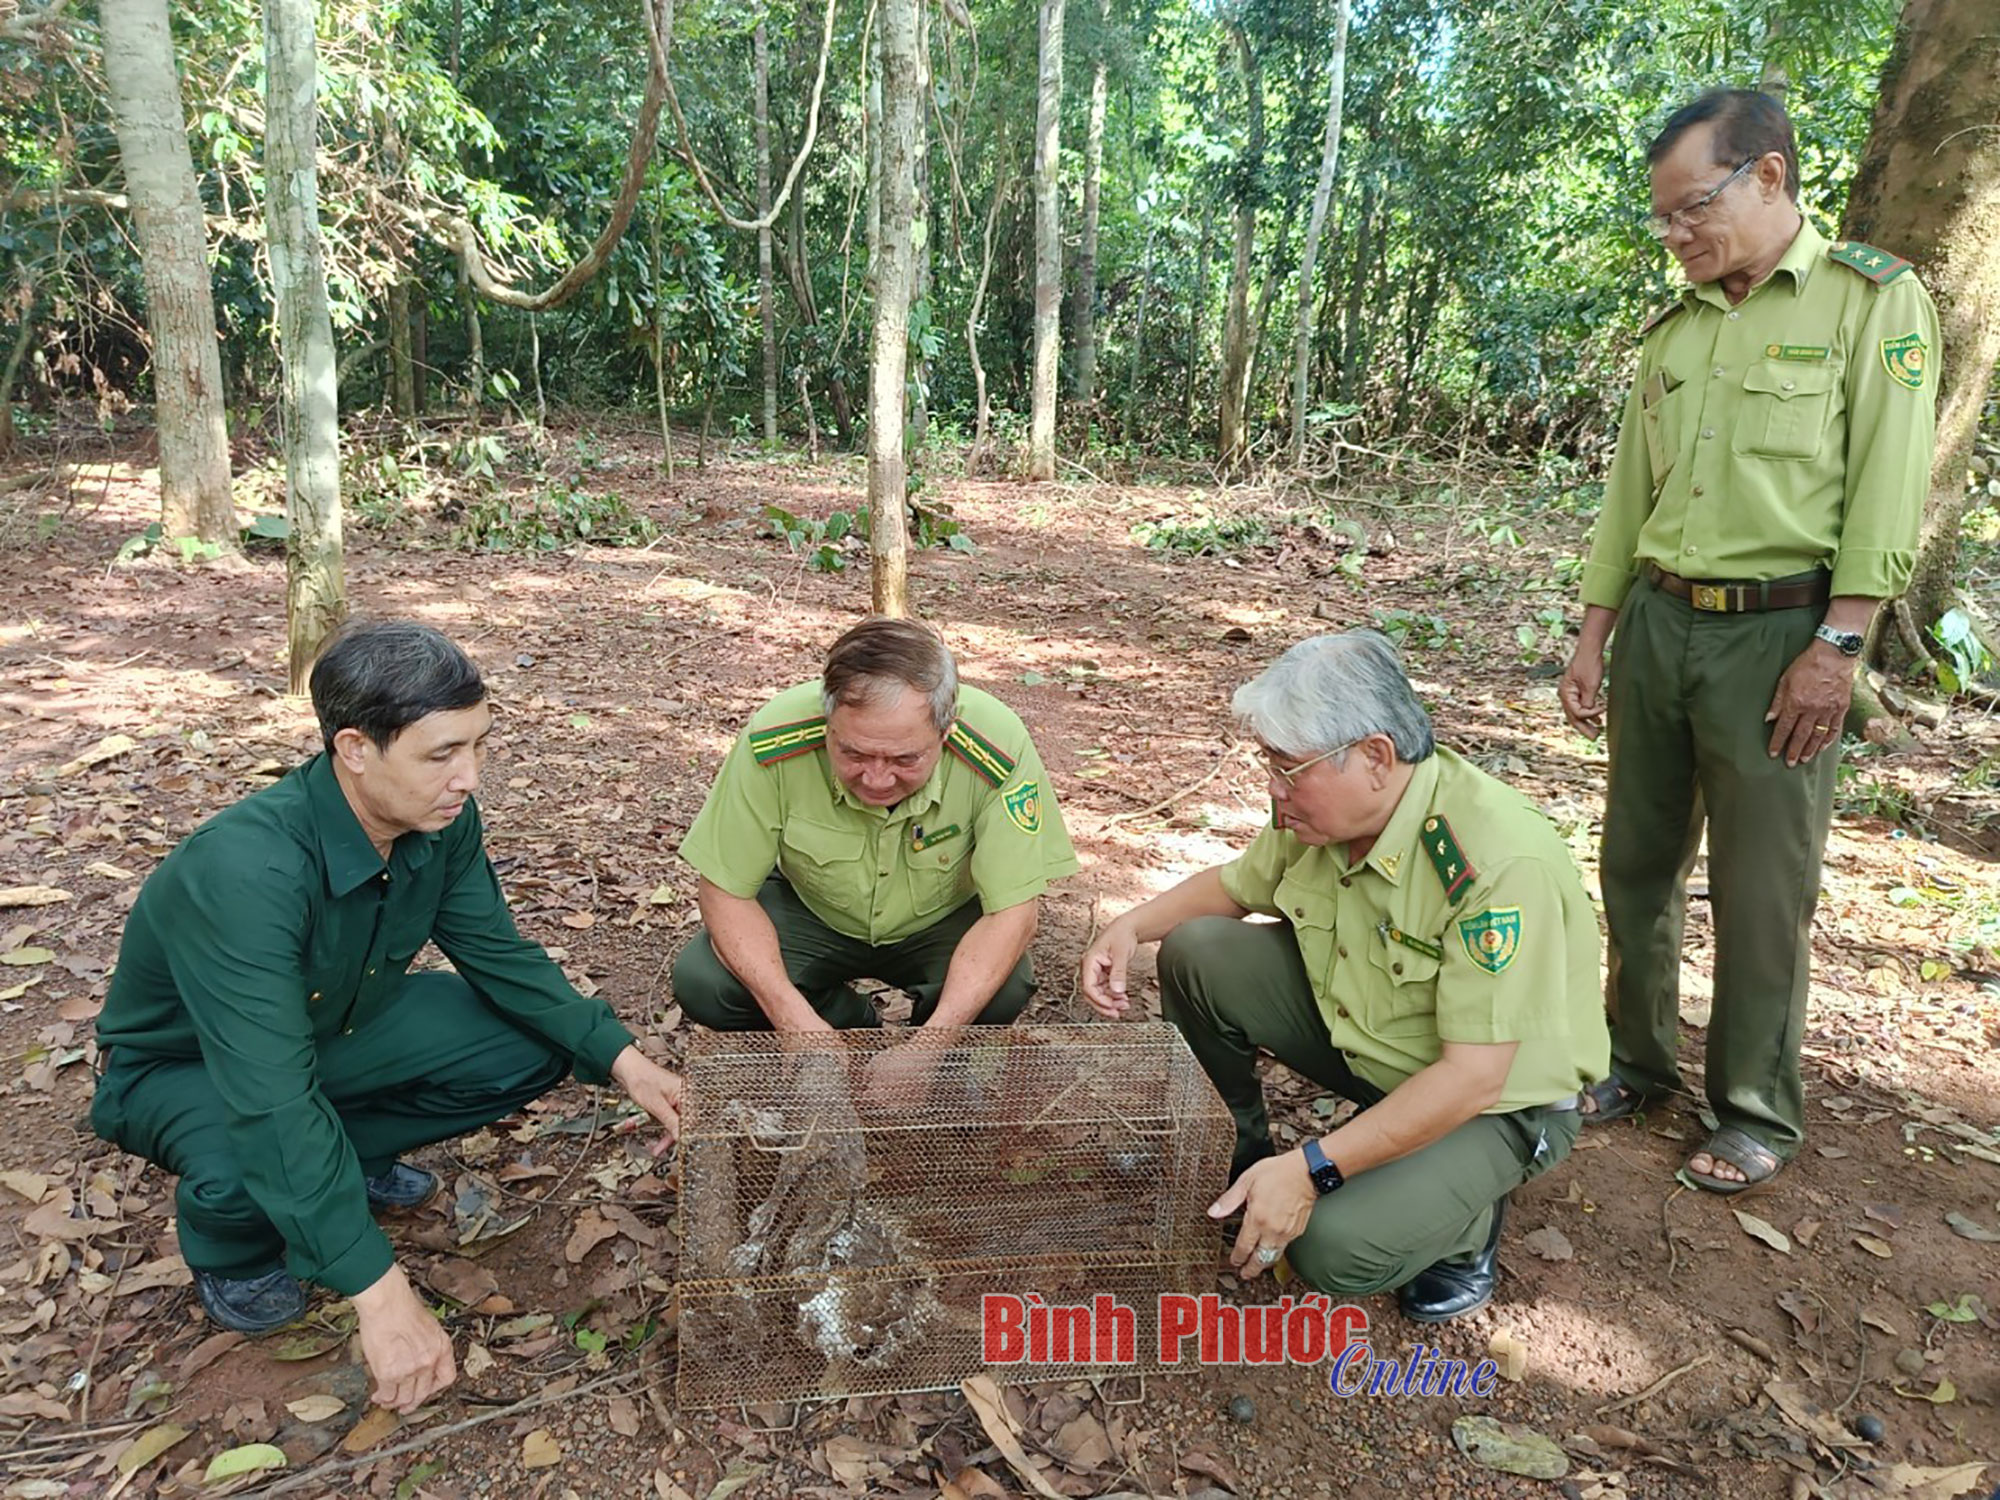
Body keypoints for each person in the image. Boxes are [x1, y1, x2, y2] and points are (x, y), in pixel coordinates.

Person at [91, 621, 683, 1413]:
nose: (468, 777)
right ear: (354, 748)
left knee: (528, 1041)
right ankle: (230, 1248)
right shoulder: (245, 871)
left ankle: (341, 1165)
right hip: (186, 1068)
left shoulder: (439, 823)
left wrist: (626, 1060)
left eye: (478, 746)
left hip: (335, 1032)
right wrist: (379, 1292)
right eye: (441, 754)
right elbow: (267, 1098)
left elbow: (499, 955)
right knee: (254, 1152)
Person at [1560, 90, 1937, 1192]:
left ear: (1765, 177)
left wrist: (1840, 647)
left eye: (1691, 210)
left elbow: (1886, 485)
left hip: (1780, 637)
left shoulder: (1871, 301)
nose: (1674, 235)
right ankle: (1633, 1061)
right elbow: (1628, 497)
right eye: (1662, 220)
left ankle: (1753, 1109)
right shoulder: (1672, 332)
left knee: (1762, 889)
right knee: (1633, 866)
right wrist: (1592, 636)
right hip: (1660, 625)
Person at [1081, 631, 1608, 1323]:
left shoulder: (1496, 864)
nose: (1274, 787)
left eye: (1289, 767)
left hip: (1496, 1105)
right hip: (1377, 1043)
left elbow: (1475, 1076)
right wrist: (1131, 925)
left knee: (1329, 1248)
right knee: (1198, 951)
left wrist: (1313, 1170)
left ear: (1377, 758)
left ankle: (1465, 1228)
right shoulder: (1318, 810)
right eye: (1269, 761)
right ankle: (1237, 1158)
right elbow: (1238, 887)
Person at [673, 618, 1077, 1080]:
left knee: (1004, 986)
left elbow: (1014, 914)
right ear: (828, 725)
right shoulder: (774, 737)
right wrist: (794, 1020)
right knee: (707, 982)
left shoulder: (997, 746)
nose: (877, 780)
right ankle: (848, 1026)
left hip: (938, 917)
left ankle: (936, 1062)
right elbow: (724, 890)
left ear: (945, 736)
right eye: (854, 754)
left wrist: (925, 1051)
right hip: (816, 910)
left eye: (906, 759)